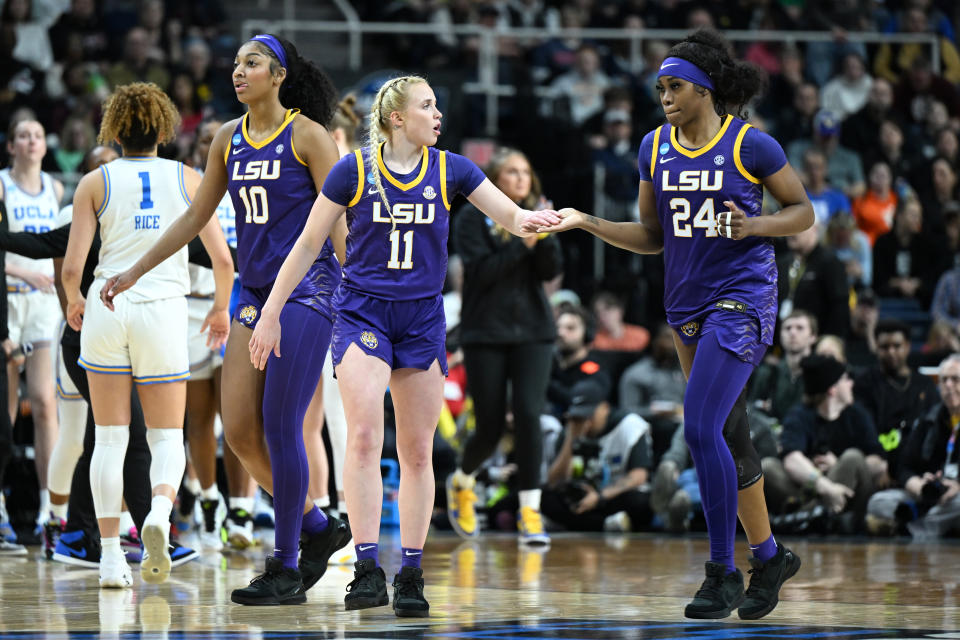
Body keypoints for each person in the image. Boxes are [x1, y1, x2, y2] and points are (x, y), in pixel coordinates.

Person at [247, 75, 558, 617]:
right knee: (364, 436)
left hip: (422, 317)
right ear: (396, 118)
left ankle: (411, 571)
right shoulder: (354, 170)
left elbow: (510, 215)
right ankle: (366, 567)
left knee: (417, 451)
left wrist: (545, 219)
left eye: (438, 104)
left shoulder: (452, 169)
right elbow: (307, 243)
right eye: (427, 106)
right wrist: (271, 311)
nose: (438, 114)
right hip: (363, 310)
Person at [540, 28, 811, 620]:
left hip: (742, 298)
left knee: (699, 426)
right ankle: (769, 555)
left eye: (676, 86)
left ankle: (721, 571)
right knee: (728, 433)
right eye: (660, 87)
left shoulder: (752, 147)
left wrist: (755, 227)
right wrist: (585, 221)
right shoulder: (653, 149)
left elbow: (802, 211)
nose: (665, 95)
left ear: (707, 91)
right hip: (685, 303)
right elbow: (652, 237)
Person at [100, 35, 353, 605]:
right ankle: (317, 527)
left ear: (279, 74)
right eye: (236, 64)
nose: (238, 72)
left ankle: (286, 564)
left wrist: (357, 300)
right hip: (253, 290)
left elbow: (340, 228)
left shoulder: (309, 136)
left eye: (252, 63)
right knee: (238, 432)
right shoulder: (226, 138)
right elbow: (195, 215)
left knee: (282, 425)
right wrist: (134, 270)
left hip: (310, 292)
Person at [61, 82, 234, 588]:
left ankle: (111, 557)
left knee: (109, 440)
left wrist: (74, 300)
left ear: (114, 128)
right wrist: (221, 310)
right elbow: (223, 261)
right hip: (161, 309)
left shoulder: (95, 182)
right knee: (164, 436)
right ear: (164, 127)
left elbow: (74, 267)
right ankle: (159, 512)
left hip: (107, 304)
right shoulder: (187, 178)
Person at [446, 147, 562, 546]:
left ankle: (531, 511)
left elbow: (550, 270)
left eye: (526, 171)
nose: (521, 178)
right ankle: (462, 481)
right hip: (484, 332)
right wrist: (523, 242)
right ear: (494, 178)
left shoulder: (538, 215)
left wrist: (544, 235)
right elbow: (481, 274)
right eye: (512, 172)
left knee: (530, 416)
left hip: (534, 330)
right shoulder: (470, 218)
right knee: (491, 426)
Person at [1, 118, 63, 535]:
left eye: (38, 135)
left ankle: (49, 507)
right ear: (11, 145)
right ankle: (3, 511)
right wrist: (23, 274)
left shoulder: (56, 189)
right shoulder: (2, 184)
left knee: (44, 402)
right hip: (6, 301)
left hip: (43, 306)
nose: (30, 141)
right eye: (23, 135)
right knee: (4, 411)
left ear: (44, 145)